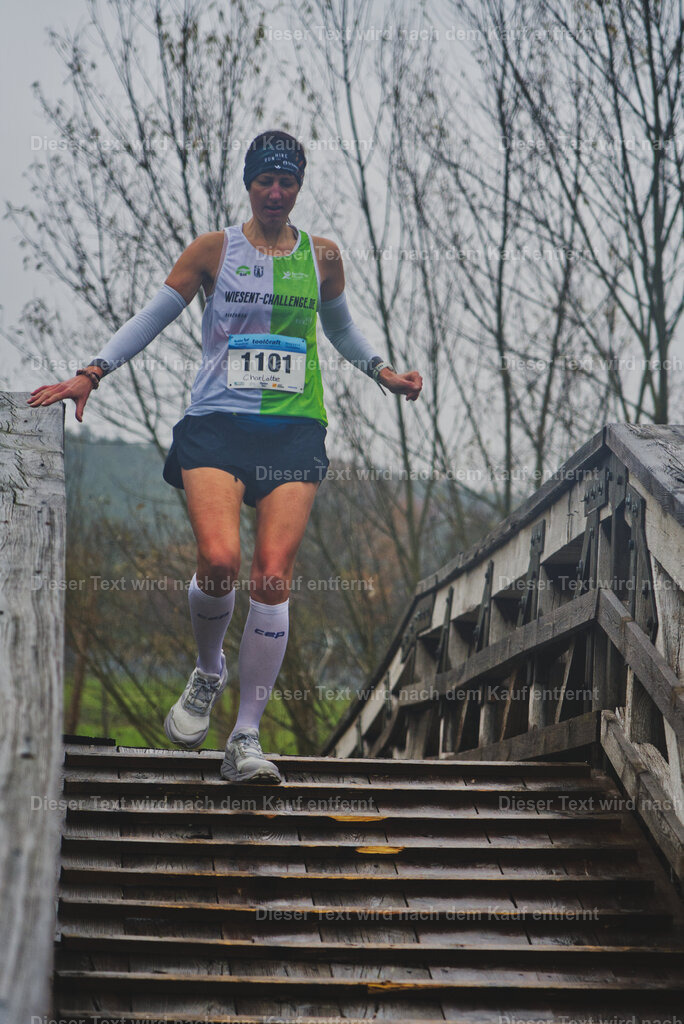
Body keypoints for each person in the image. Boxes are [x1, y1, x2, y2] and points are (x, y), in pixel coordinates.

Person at [28, 129, 423, 783]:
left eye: (287, 182)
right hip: (216, 426)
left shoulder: (323, 257)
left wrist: (383, 372)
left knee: (272, 575)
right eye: (265, 181)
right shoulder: (214, 251)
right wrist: (92, 372)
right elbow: (153, 315)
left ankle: (244, 738)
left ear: (298, 188)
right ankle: (209, 671)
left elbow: (342, 328)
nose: (275, 192)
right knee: (219, 559)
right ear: (249, 183)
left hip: (294, 430)